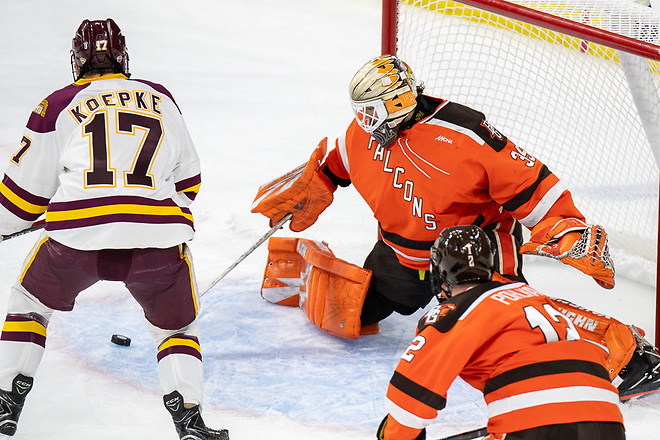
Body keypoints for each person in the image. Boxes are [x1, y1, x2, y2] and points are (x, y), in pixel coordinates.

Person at [251, 55, 660, 397]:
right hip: (400, 253)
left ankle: (628, 355)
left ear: (398, 102)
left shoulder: (466, 135)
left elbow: (531, 182)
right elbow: (337, 157)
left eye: (373, 111)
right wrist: (317, 180)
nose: (364, 121)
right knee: (354, 311)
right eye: (360, 111)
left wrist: (565, 227)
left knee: (505, 327)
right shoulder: (364, 133)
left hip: (472, 253)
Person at [0, 19, 228, 440]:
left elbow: (20, 200)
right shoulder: (162, 98)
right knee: (176, 329)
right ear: (122, 58)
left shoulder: (57, 104)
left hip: (77, 242)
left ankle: (5, 401)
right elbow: (188, 184)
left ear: (77, 61)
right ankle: (190, 422)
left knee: (29, 302)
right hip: (158, 246)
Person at [377, 225, 625, 440]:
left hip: (534, 424)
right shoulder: (533, 296)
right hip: (609, 420)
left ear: (440, 273)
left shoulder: (455, 311)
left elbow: (409, 400)